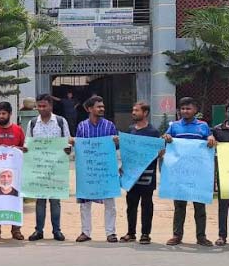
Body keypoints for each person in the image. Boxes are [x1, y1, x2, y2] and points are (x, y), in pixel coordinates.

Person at [163, 97, 217, 247]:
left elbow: (210, 139)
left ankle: (201, 237)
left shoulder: (203, 126)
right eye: (183, 109)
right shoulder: (174, 126)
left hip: (198, 173)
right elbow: (165, 139)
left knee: (200, 206)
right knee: (179, 206)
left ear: (195, 110)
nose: (185, 111)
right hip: (180, 173)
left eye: (188, 108)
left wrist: (211, 137)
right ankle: (176, 235)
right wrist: (166, 137)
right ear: (179, 110)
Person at [73, 96, 119, 243]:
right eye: (99, 106)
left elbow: (115, 147)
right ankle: (85, 232)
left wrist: (117, 142)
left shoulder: (109, 126)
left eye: (103, 106)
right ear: (89, 109)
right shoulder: (82, 126)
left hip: (105, 170)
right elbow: (79, 147)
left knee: (109, 202)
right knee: (85, 203)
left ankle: (110, 233)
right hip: (87, 170)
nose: (102, 109)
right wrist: (72, 143)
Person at [25, 94, 71, 242]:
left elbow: (68, 141)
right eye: (39, 106)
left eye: (44, 106)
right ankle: (38, 231)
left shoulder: (60, 121)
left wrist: (68, 149)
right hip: (39, 167)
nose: (41, 108)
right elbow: (28, 143)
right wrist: (26, 150)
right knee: (40, 200)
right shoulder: (32, 123)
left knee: (55, 200)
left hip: (56, 167)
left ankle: (57, 230)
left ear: (51, 106)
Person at [120, 102, 163, 245]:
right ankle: (131, 233)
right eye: (133, 110)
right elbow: (127, 152)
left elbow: (158, 153)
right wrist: (123, 166)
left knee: (146, 205)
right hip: (131, 175)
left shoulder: (153, 132)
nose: (133, 112)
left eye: (136, 110)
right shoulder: (130, 130)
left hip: (147, 175)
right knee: (131, 205)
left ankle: (145, 234)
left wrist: (160, 152)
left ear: (145, 113)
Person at [0, 101, 25, 241]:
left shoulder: (18, 130)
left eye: (4, 113)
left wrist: (16, 149)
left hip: (14, 173)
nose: (1, 116)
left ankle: (16, 230)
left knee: (15, 200)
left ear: (10, 114)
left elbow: (24, 149)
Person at [214, 103, 229, 246]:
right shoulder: (217, 130)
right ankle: (222, 235)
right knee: (223, 206)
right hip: (225, 174)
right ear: (226, 112)